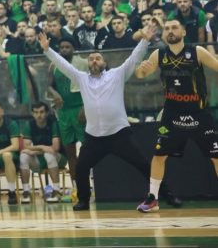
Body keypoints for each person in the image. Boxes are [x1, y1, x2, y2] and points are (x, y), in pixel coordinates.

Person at [36, 28, 175, 211]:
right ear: (88, 63)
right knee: (81, 167)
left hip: (119, 135)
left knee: (144, 165)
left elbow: (134, 58)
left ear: (104, 62)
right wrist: (47, 50)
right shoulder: (81, 78)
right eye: (91, 59)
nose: (94, 60)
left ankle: (167, 195)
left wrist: (145, 41)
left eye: (98, 58)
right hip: (94, 137)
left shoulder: (117, 75)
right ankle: (84, 201)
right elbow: (63, 65)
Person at [133, 18, 218, 212]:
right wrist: (141, 69)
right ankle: (152, 198)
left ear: (184, 32)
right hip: (172, 113)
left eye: (174, 27)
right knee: (159, 155)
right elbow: (140, 75)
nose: (170, 31)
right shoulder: (159, 54)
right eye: (167, 29)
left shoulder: (197, 52)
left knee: (216, 156)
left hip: (199, 112)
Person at [45, 37, 85, 196]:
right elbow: (48, 85)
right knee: (70, 152)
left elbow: (90, 86)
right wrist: (54, 93)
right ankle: (76, 187)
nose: (64, 49)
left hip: (80, 109)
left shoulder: (82, 63)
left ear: (74, 49)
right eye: (61, 47)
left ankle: (89, 185)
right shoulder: (53, 64)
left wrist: (86, 107)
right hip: (63, 112)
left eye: (68, 46)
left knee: (87, 149)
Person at [19, 102, 63, 203]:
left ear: (47, 113)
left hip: (58, 158)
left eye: (42, 112)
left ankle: (57, 191)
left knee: (49, 155)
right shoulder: (29, 125)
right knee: (23, 156)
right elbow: (26, 147)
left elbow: (55, 148)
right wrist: (41, 150)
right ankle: (26, 192)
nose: (39, 115)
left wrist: (38, 148)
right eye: (36, 112)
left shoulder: (53, 123)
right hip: (40, 158)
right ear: (32, 113)